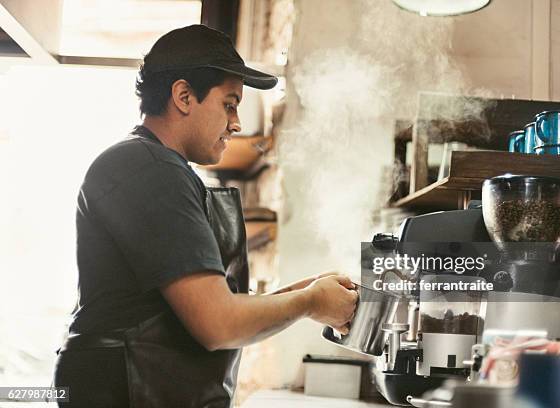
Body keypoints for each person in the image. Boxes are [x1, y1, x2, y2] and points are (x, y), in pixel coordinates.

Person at [53, 24, 358, 408]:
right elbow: (218, 324)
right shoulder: (148, 168)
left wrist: (306, 292)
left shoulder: (158, 168)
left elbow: (205, 309)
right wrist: (311, 302)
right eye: (229, 103)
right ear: (183, 96)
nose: (236, 123)